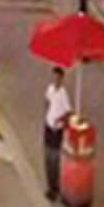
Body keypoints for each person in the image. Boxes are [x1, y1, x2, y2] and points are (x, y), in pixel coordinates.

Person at [42, 66, 71, 200]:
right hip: (48, 126)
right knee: (47, 156)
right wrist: (47, 115)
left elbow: (68, 112)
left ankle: (55, 187)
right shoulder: (50, 89)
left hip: (56, 129)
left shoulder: (63, 94)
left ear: (62, 78)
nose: (55, 80)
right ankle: (50, 185)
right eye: (54, 77)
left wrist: (59, 120)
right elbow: (47, 101)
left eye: (58, 77)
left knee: (54, 158)